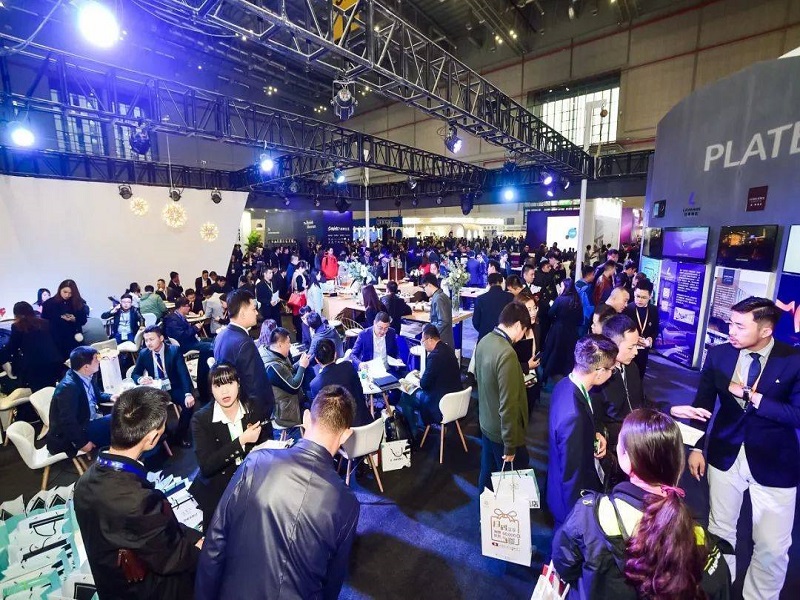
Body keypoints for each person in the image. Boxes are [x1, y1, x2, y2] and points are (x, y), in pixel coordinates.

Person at [672, 297, 800, 599]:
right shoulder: (719, 355)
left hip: (775, 462)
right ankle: (721, 591)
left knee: (772, 546)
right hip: (724, 453)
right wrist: (697, 448)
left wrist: (752, 397)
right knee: (720, 532)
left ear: (766, 330)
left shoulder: (793, 360)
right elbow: (702, 405)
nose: (731, 331)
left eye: (740, 326)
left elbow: (796, 414)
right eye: (731, 323)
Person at [196, 385, 361, 600]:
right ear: (347, 434)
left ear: (306, 417)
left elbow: (216, 541)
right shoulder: (348, 503)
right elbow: (332, 580)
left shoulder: (256, 461)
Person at [552, 409, 732, 600]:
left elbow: (565, 566)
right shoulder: (701, 543)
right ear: (679, 465)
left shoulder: (588, 516)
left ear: (627, 459)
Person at [74, 387, 203, 600]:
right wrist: (203, 549)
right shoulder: (138, 501)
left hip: (111, 585)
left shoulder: (84, 481)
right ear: (152, 438)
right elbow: (172, 557)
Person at [189, 364, 270, 530]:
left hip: (253, 478)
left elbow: (267, 441)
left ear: (238, 383)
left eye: (229, 383)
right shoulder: (201, 419)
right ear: (211, 389)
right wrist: (241, 441)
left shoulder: (253, 406)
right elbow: (207, 466)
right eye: (218, 386)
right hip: (220, 487)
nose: (224, 391)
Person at [547, 335, 615, 528]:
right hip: (568, 505)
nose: (613, 373)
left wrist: (593, 433)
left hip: (556, 483)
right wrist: (577, 517)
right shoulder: (573, 416)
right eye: (612, 369)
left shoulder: (565, 384)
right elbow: (572, 476)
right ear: (599, 372)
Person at [473, 302, 532, 492]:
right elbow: (508, 405)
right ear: (517, 325)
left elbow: (479, 379)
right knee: (513, 484)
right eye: (524, 331)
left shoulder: (484, 341)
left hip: (486, 423)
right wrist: (510, 445)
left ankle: (484, 509)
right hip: (503, 433)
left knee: (487, 474)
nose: (522, 336)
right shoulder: (507, 353)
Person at [213, 289, 275, 433]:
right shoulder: (244, 343)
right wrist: (262, 416)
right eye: (253, 309)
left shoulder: (222, 335)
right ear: (242, 313)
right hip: (251, 416)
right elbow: (254, 385)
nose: (257, 313)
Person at [131, 325, 195, 447]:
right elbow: (135, 373)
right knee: (151, 409)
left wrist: (188, 393)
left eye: (151, 339)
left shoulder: (174, 351)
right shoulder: (144, 353)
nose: (148, 343)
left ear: (161, 338)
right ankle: (165, 436)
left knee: (189, 405)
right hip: (156, 389)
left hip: (173, 386)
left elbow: (183, 374)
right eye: (146, 340)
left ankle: (180, 436)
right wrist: (140, 379)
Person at [47, 346, 115, 457]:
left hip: (89, 420)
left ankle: (115, 455)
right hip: (74, 433)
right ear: (86, 367)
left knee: (120, 419)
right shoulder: (68, 387)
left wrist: (111, 397)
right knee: (117, 420)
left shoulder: (87, 375)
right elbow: (67, 420)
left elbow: (96, 394)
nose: (99, 361)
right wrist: (82, 443)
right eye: (96, 359)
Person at [398, 324, 462, 440]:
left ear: (430, 340)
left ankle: (413, 433)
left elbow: (424, 384)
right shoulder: (447, 349)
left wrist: (417, 380)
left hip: (440, 403)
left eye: (423, 341)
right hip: (457, 401)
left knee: (405, 396)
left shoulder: (434, 356)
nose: (423, 344)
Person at [0, 301, 62, 391]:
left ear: (16, 314)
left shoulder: (17, 326)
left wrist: (3, 357)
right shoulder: (45, 322)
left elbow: (12, 347)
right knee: (50, 388)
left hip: (35, 364)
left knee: (37, 390)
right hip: (53, 360)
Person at [309, 339, 371, 426]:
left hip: (340, 431)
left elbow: (320, 416)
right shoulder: (348, 366)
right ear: (335, 354)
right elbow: (360, 391)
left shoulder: (315, 384)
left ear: (316, 360)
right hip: (367, 424)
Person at [163, 298, 213, 403]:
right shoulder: (173, 320)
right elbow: (182, 336)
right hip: (185, 345)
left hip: (191, 341)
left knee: (212, 341)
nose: (189, 308)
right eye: (187, 306)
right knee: (210, 347)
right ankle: (206, 376)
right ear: (181, 307)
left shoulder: (178, 316)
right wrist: (195, 328)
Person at [262, 327, 311, 435]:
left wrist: (300, 363)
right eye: (288, 342)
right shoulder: (273, 367)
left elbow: (288, 372)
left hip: (292, 406)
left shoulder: (277, 355)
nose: (290, 345)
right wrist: (302, 367)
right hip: (286, 417)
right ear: (280, 345)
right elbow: (293, 386)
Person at [541, 278, 584, 384]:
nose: (560, 288)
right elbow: (580, 318)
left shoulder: (560, 299)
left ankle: (546, 375)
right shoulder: (577, 300)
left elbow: (550, 313)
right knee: (568, 352)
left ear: (565, 287)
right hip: (571, 331)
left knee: (553, 351)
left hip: (558, 330)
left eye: (561, 286)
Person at [41, 279, 90, 360]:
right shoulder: (49, 303)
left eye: (70, 293)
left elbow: (83, 320)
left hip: (73, 339)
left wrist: (74, 319)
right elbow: (44, 321)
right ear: (60, 290)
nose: (67, 295)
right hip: (55, 339)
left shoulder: (78, 302)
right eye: (65, 292)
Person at [623, 279, 659, 379]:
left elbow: (655, 329)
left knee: (640, 375)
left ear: (650, 296)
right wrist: (634, 339)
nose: (639, 300)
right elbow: (622, 330)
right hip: (629, 350)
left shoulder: (653, 310)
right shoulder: (627, 309)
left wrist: (651, 338)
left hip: (644, 350)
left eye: (644, 297)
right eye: (637, 296)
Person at [514, 290, 542, 415]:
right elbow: (507, 365)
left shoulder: (536, 327)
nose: (533, 313)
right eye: (529, 309)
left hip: (532, 380)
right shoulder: (515, 334)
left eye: (534, 308)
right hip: (516, 383)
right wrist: (527, 366)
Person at [472, 272, 514, 341]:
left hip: (484, 338)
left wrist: (483, 330)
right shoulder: (510, 297)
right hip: (503, 338)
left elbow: (475, 322)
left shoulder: (480, 299)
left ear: (489, 283)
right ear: (501, 282)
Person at [421, 273, 454, 349]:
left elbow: (443, 321)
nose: (424, 290)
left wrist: (430, 333)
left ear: (429, 285)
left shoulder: (439, 298)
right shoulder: (440, 295)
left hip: (442, 339)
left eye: (424, 287)